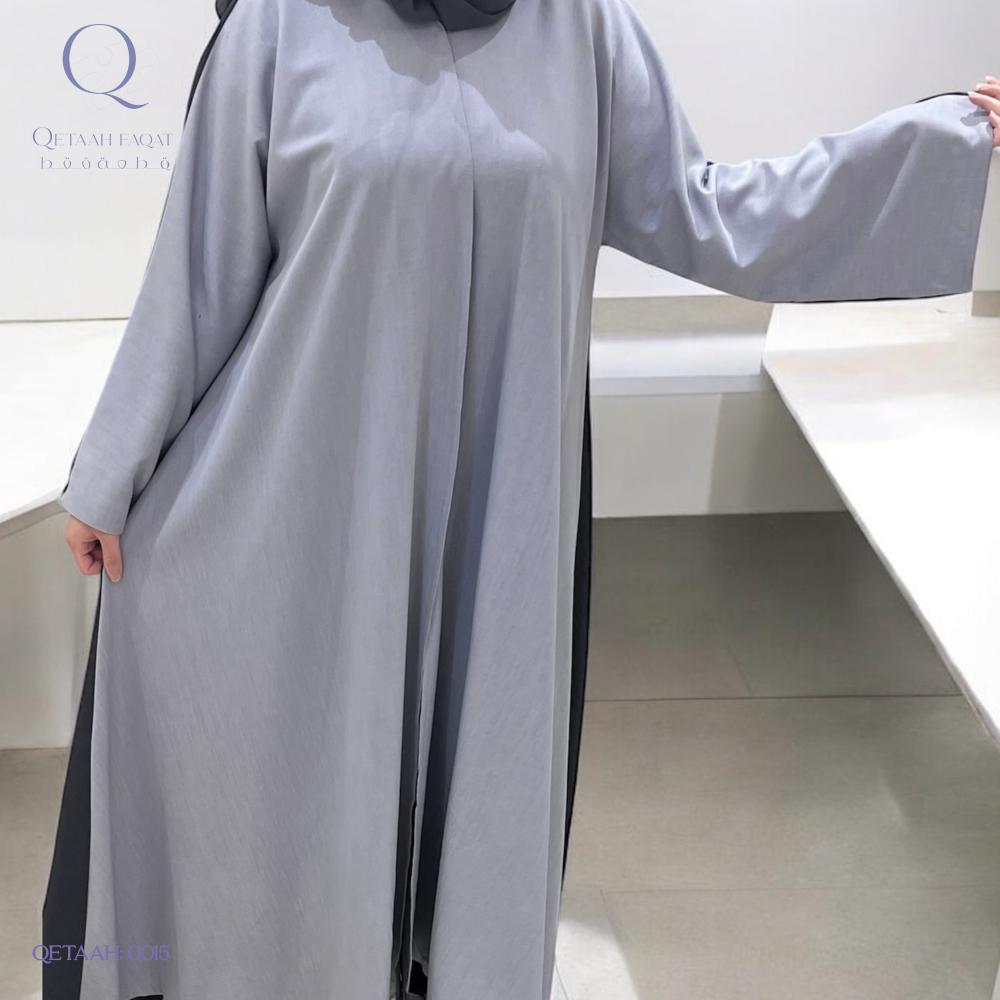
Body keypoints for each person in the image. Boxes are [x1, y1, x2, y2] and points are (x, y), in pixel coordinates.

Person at [43, 0, 999, 996]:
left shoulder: (582, 30)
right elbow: (198, 271)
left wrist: (941, 140)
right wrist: (110, 472)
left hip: (497, 520)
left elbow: (710, 210)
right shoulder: (280, 27)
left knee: (478, 804)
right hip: (304, 504)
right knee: (300, 799)